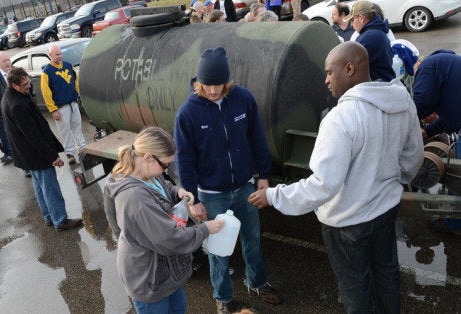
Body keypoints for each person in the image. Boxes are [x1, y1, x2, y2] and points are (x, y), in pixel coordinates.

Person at [248, 42, 424, 313]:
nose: (326, 80)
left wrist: (273, 195)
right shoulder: (401, 102)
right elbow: (412, 158)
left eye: (330, 72)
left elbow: (323, 185)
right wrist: (391, 185)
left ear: (350, 69)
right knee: (387, 274)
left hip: (347, 223)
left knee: (355, 287)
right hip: (386, 211)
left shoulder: (340, 118)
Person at [174, 47, 281, 312]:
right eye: (207, 85)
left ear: (228, 80)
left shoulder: (243, 99)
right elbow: (184, 161)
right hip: (211, 193)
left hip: (245, 186)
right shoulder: (187, 113)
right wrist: (193, 200)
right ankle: (223, 298)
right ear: (198, 82)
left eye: (218, 84)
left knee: (252, 239)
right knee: (218, 251)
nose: (212, 91)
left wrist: (263, 176)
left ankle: (257, 281)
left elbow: (257, 138)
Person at [105, 127, 225, 313]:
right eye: (165, 164)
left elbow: (164, 185)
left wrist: (178, 192)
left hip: (166, 274)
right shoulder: (136, 199)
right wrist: (205, 229)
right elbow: (170, 239)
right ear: (148, 157)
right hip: (150, 279)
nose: (166, 169)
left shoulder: (146, 173)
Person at [1, 67, 83, 232]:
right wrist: (53, 156)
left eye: (28, 82)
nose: (29, 86)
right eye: (24, 84)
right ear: (14, 85)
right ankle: (60, 220)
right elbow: (33, 136)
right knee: (50, 188)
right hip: (36, 154)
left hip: (28, 155)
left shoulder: (9, 97)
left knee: (40, 187)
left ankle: (48, 216)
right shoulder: (17, 104)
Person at [412, 49, 461, 235]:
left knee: (458, 180)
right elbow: (450, 118)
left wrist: (402, 122)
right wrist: (427, 131)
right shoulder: (448, 64)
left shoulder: (426, 66)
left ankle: (454, 225)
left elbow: (422, 101)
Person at [41, 44, 86, 166]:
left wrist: (76, 93)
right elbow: (46, 93)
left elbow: (76, 80)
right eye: (56, 54)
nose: (59, 56)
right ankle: (70, 153)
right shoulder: (47, 72)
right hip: (60, 108)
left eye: (60, 53)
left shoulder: (68, 66)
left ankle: (82, 149)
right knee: (65, 131)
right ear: (50, 55)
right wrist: (53, 110)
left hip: (72, 103)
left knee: (77, 127)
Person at [344, 0, 395, 82]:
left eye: (352, 20)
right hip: (384, 85)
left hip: (378, 89)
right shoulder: (378, 32)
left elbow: (347, 65)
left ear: (361, 18)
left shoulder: (368, 38)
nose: (351, 24)